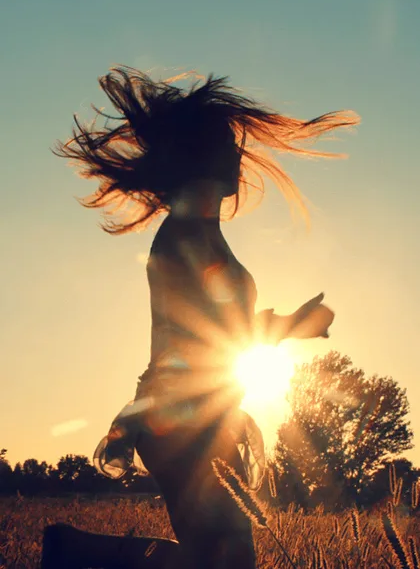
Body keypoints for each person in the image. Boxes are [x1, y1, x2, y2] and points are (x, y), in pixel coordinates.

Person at [52, 67, 359, 568]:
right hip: (180, 419)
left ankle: (72, 550)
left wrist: (291, 324)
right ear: (202, 158)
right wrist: (287, 326)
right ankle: (71, 550)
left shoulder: (203, 233)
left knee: (218, 560)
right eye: (229, 148)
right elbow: (208, 337)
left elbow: (220, 332)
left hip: (204, 415)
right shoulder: (185, 236)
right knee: (228, 559)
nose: (238, 158)